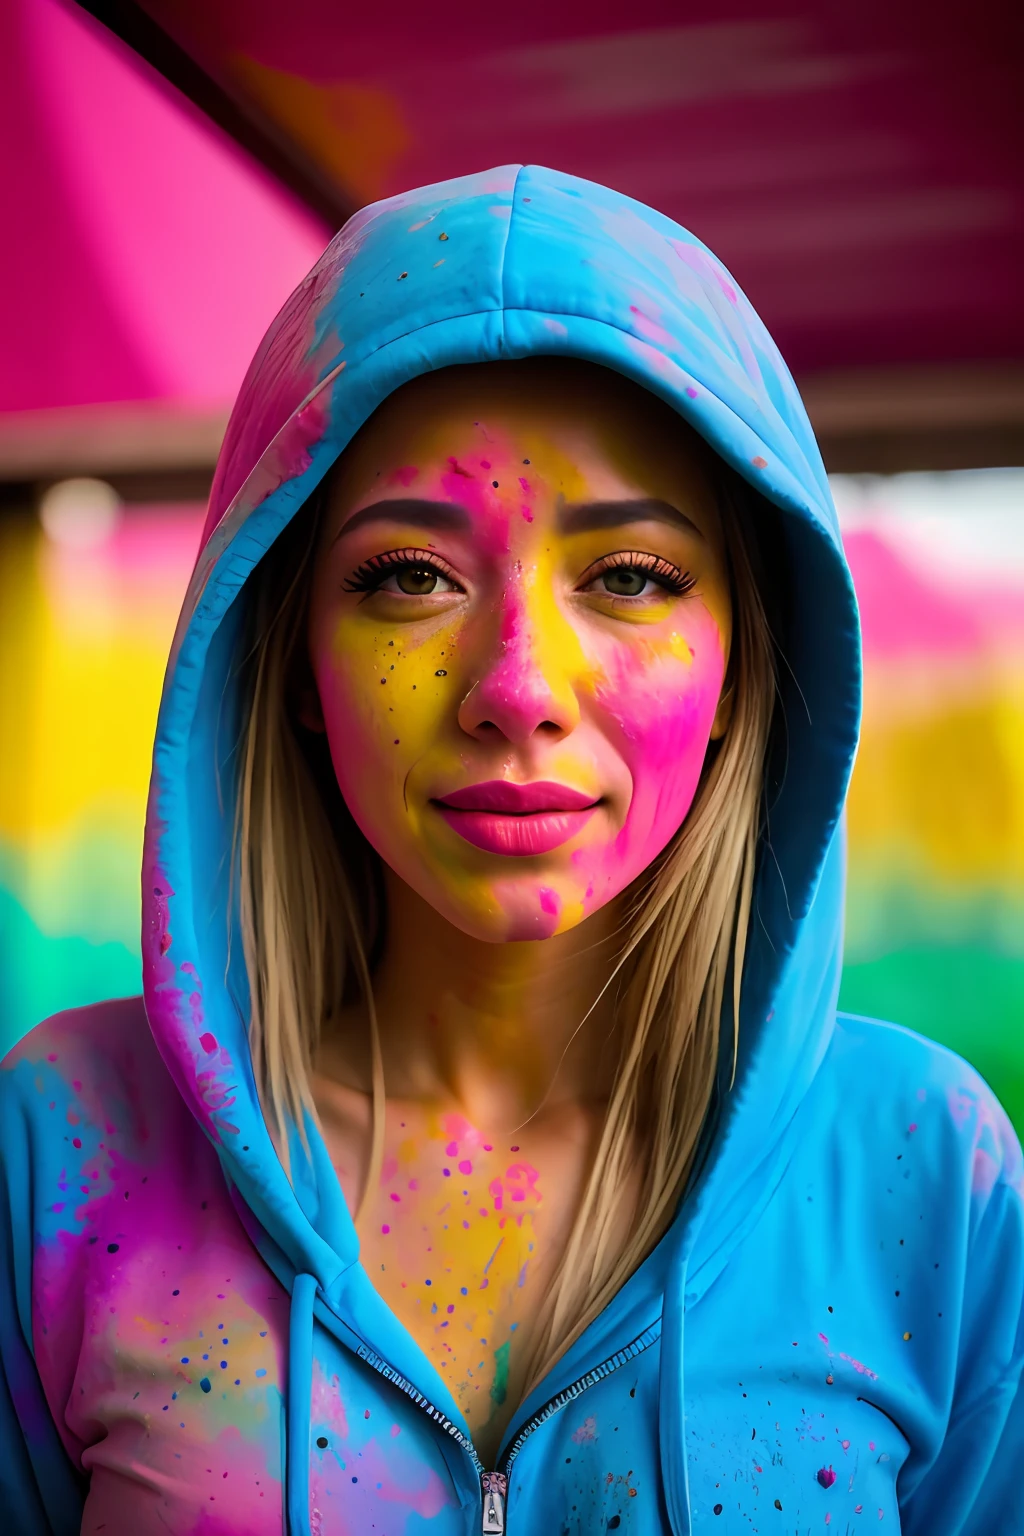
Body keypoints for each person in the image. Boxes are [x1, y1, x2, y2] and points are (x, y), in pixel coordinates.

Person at [2, 165, 1021, 1536]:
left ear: (745, 665)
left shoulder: (919, 1170)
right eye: (410, 577)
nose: (517, 686)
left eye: (631, 578)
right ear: (289, 654)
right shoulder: (64, 1146)